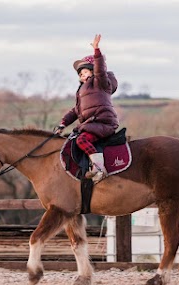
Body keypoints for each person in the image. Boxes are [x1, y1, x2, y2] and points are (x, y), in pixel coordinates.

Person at [54, 34, 118, 183]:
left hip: (103, 122)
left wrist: (97, 50)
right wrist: (63, 123)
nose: (82, 76)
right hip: (91, 124)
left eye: (85, 72)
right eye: (80, 74)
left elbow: (100, 70)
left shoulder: (100, 82)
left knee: (81, 140)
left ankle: (99, 168)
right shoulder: (83, 92)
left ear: (93, 71)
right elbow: (75, 111)